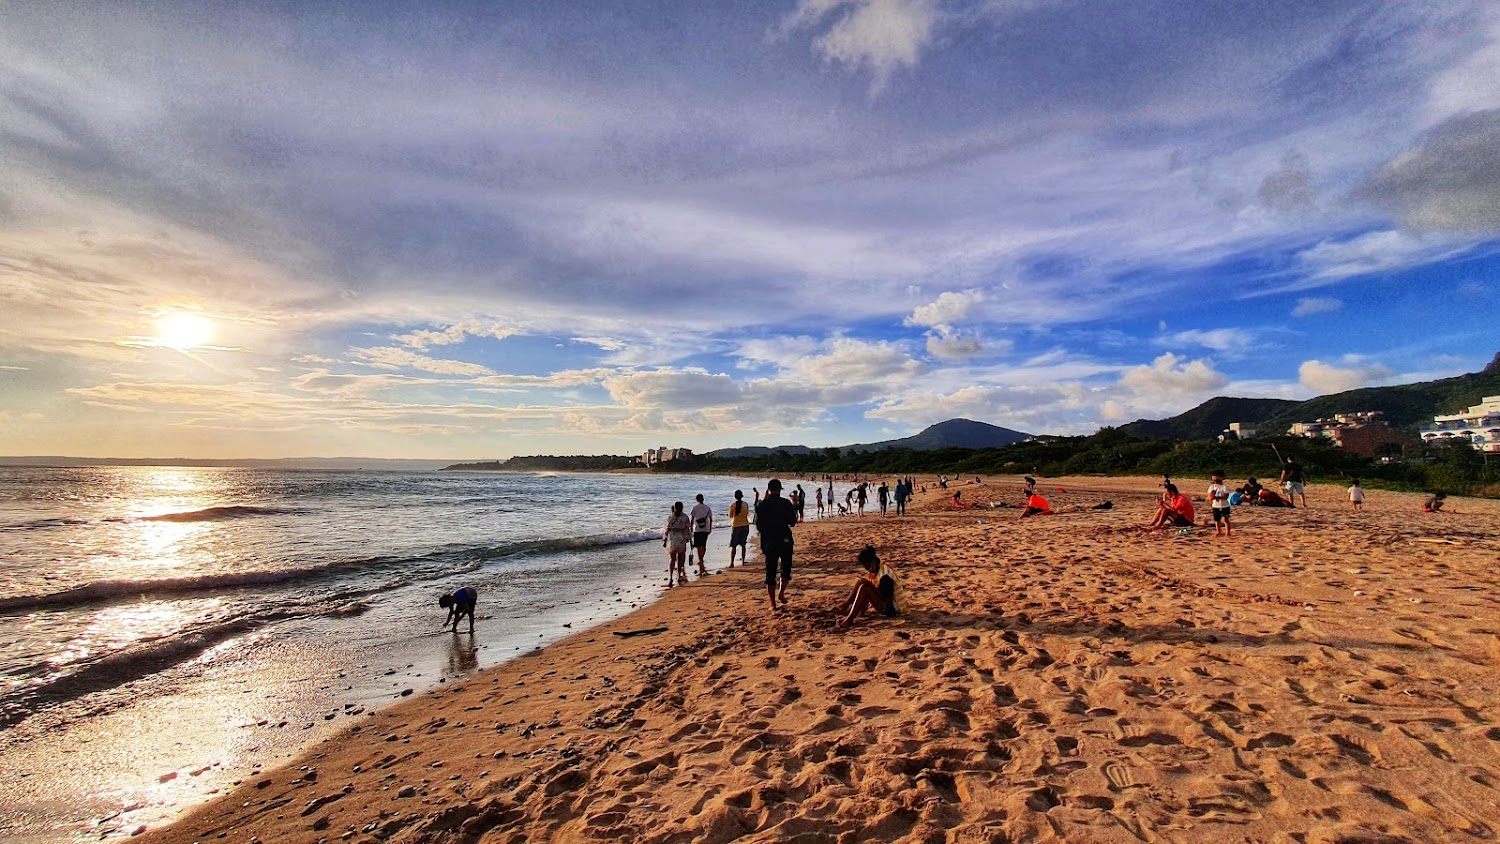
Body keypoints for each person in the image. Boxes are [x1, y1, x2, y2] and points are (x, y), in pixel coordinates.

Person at [755, 479, 798, 609]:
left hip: (769, 540)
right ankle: (781, 593)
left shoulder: (761, 505)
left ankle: (773, 603)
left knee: (770, 571)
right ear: (780, 489)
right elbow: (792, 522)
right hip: (784, 538)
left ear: (768, 489)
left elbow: (758, 525)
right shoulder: (785, 503)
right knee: (786, 568)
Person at [836, 545, 903, 627]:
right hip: (885, 602)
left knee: (865, 588)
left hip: (892, 608)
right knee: (861, 582)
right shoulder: (877, 568)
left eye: (867, 566)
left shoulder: (885, 576)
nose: (867, 569)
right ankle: (846, 605)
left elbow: (886, 599)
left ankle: (849, 619)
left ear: (873, 561)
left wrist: (870, 587)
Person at [664, 501, 691, 586]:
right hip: (681, 539)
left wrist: (665, 540)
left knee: (672, 559)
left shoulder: (670, 517)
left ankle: (671, 577)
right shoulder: (685, 517)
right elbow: (687, 529)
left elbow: (667, 530)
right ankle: (679, 575)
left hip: (672, 540)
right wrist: (689, 539)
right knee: (680, 558)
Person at [689, 494, 713, 576]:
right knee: (703, 545)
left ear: (696, 499)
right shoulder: (707, 507)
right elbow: (710, 519)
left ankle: (701, 560)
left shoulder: (694, 508)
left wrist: (691, 528)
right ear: (703, 499)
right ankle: (701, 559)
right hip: (705, 529)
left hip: (697, 529)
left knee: (699, 546)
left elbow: (692, 520)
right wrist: (710, 528)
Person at [727, 490, 751, 567]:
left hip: (736, 526)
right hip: (745, 525)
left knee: (733, 546)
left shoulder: (733, 505)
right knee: (743, 545)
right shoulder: (746, 504)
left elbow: (730, 516)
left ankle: (732, 563)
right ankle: (743, 561)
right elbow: (747, 513)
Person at [1207, 470, 1232, 537]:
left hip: (1224, 505)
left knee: (1225, 519)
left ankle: (1227, 532)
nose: (1214, 478)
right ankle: (1218, 531)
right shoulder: (1212, 487)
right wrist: (1211, 498)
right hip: (1215, 505)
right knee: (1217, 519)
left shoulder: (1224, 487)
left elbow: (1225, 497)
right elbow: (1209, 495)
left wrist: (1216, 497)